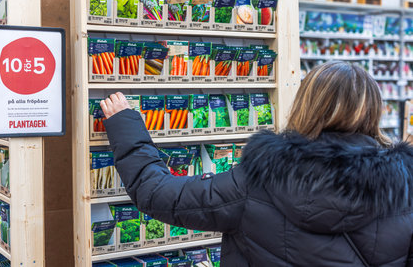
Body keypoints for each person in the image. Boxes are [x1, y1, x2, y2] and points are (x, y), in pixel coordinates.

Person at [100, 61, 412, 266]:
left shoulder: (259, 180)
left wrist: (125, 126)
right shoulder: (405, 186)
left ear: (305, 104)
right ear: (374, 111)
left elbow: (157, 193)